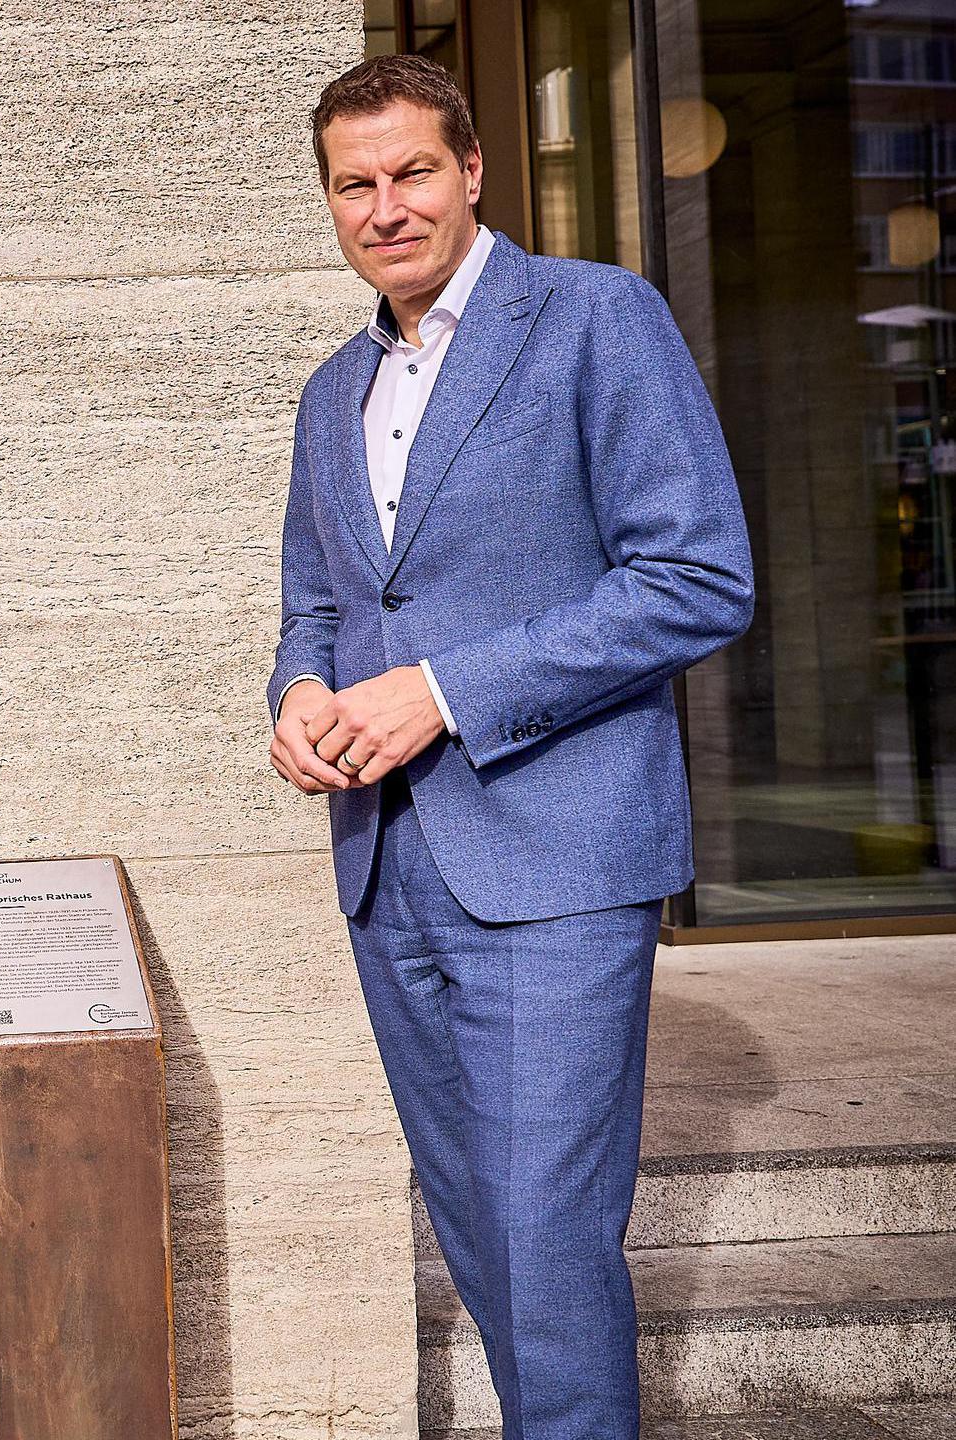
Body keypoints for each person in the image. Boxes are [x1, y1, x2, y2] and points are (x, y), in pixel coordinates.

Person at [269, 56, 754, 1439]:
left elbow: (696, 578)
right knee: (480, 1229)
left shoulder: (596, 318)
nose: (386, 206)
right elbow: (319, 599)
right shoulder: (328, 392)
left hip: (553, 858)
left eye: (411, 171)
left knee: (544, 1234)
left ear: (472, 170)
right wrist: (299, 694)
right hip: (385, 866)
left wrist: (444, 690)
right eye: (354, 185)